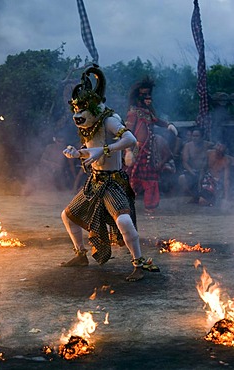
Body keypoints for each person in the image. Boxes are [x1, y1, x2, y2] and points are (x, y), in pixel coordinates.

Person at [60, 65, 159, 282]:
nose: (77, 116)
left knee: (123, 221)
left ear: (93, 107)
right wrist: (76, 153)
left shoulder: (108, 119)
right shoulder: (88, 123)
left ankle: (139, 263)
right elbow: (90, 151)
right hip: (94, 182)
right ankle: (80, 255)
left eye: (81, 110)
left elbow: (131, 140)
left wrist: (103, 150)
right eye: (75, 111)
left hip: (112, 183)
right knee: (68, 216)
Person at [124, 77, 178, 211]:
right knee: (131, 177)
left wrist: (168, 125)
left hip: (149, 149)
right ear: (138, 96)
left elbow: (157, 120)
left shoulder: (148, 112)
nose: (147, 97)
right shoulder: (133, 112)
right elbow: (128, 131)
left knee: (151, 178)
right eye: (144, 95)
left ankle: (150, 206)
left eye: (149, 94)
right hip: (137, 149)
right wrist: (128, 151)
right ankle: (124, 206)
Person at [178, 128, 214, 203]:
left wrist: (204, 171)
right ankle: (194, 196)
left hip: (205, 172)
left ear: (202, 137)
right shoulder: (187, 146)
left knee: (205, 181)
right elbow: (185, 162)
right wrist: (192, 172)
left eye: (197, 136)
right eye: (193, 136)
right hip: (192, 171)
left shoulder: (209, 145)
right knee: (182, 178)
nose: (194, 138)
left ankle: (205, 197)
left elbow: (214, 157)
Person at [199, 142, 231, 206]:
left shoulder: (226, 161)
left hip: (219, 182)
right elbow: (203, 168)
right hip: (208, 179)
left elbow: (226, 179)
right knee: (202, 201)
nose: (219, 149)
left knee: (222, 203)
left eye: (221, 147)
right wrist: (199, 181)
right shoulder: (209, 153)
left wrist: (226, 197)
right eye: (218, 146)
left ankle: (216, 200)